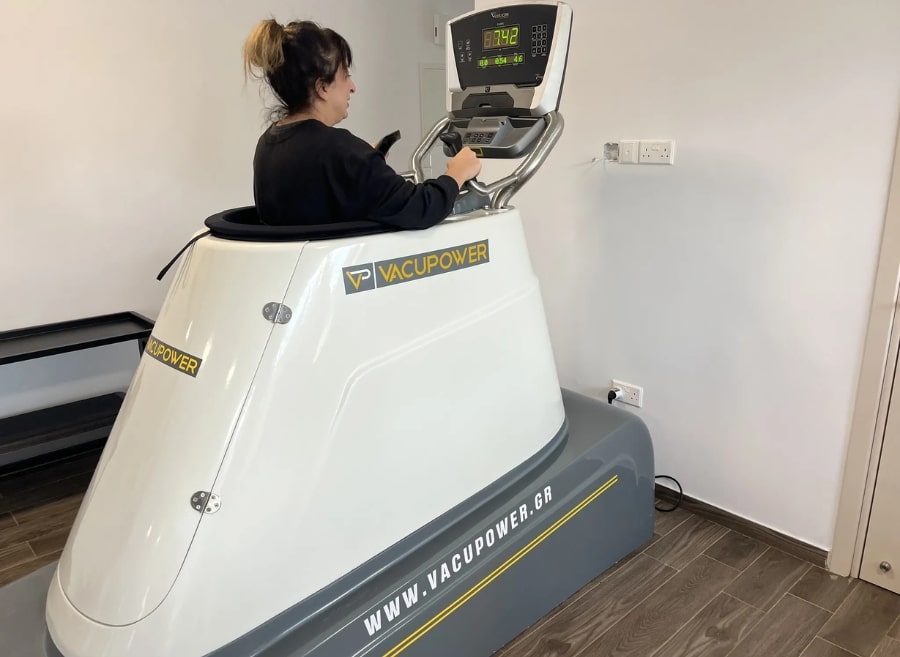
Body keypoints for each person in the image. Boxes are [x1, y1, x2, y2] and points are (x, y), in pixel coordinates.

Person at [242, 19, 482, 228]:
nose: (352, 87)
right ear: (322, 87)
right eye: (345, 75)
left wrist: (366, 162)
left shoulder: (267, 146)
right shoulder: (341, 152)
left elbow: (321, 194)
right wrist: (456, 173)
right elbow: (421, 208)